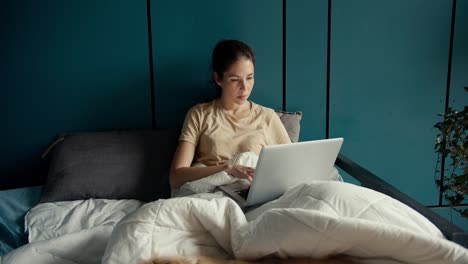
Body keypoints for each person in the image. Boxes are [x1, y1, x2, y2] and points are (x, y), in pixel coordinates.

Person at [169, 39, 291, 190]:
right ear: (218, 78)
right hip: (214, 193)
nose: (244, 88)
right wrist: (228, 169)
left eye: (250, 77)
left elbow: (291, 170)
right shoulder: (199, 114)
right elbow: (176, 177)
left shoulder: (267, 116)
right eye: (235, 80)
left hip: (253, 194)